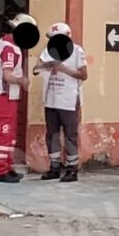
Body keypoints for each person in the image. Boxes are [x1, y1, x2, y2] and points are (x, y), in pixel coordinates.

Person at [33, 23, 88, 182]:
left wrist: (64, 69)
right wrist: (47, 65)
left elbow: (84, 75)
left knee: (70, 135)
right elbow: (36, 69)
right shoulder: (48, 51)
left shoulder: (77, 51)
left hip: (69, 99)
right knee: (52, 134)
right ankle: (54, 167)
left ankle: (72, 168)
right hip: (51, 98)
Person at [0, 13, 38, 183]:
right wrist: (22, 81)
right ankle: (1, 171)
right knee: (5, 133)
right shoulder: (10, 48)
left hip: (9, 95)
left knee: (9, 134)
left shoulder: (10, 44)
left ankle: (8, 168)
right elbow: (7, 76)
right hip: (4, 95)